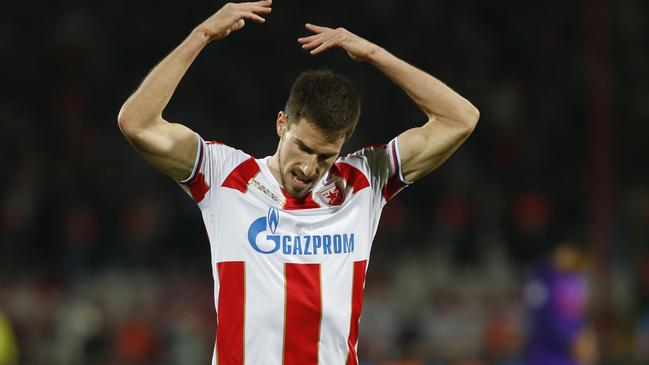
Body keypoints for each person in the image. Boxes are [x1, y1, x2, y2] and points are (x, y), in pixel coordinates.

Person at [117, 1, 479, 364]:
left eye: (325, 155)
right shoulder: (224, 174)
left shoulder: (363, 181)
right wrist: (202, 35)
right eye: (302, 147)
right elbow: (137, 123)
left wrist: (373, 53)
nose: (309, 167)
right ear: (281, 124)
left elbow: (460, 118)